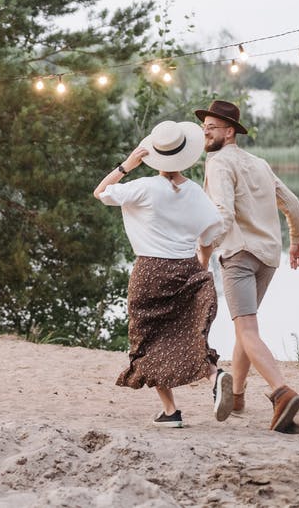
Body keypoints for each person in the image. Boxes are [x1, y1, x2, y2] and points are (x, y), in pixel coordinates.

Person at [94, 120, 233, 429]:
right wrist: (203, 262)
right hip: (186, 269)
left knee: (147, 341)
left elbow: (100, 192)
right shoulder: (195, 192)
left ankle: (170, 411)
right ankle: (214, 376)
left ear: (154, 154)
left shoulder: (143, 187)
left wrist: (127, 165)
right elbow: (212, 231)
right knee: (188, 335)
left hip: (150, 272)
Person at [195, 99, 299, 433]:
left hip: (239, 256)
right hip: (268, 257)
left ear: (229, 132)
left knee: (247, 330)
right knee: (244, 328)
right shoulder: (259, 163)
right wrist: (297, 240)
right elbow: (293, 203)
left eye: (212, 128)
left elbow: (223, 215)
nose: (206, 133)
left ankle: (281, 392)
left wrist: (204, 254)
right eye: (204, 128)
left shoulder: (217, 163)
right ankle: (240, 396)